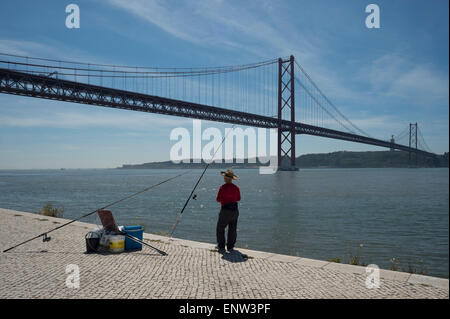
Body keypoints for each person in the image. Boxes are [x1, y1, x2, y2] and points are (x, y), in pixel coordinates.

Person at [216, 169, 241, 253]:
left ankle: (221, 246)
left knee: (220, 228)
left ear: (226, 178)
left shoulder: (222, 187)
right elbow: (238, 198)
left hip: (225, 210)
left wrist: (224, 199)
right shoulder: (236, 188)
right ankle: (230, 247)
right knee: (232, 229)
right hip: (234, 210)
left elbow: (218, 199)